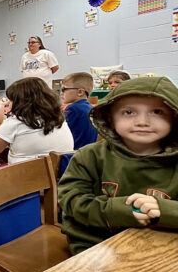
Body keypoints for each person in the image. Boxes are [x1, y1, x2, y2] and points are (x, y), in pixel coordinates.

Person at [58, 76, 178, 255]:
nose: (142, 121)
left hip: (162, 247)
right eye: (128, 112)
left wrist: (166, 211)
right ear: (110, 118)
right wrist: (113, 210)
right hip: (96, 246)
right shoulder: (89, 156)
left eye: (157, 112)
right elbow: (71, 201)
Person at [0, 77, 74, 164]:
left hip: (27, 175)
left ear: (20, 102)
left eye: (11, 100)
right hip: (62, 171)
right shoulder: (59, 118)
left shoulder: (15, 122)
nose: (8, 103)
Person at [60, 72, 98, 149]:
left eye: (64, 89)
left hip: (74, 154)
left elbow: (61, 134)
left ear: (80, 92)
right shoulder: (89, 107)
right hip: (87, 152)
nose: (61, 93)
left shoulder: (74, 109)